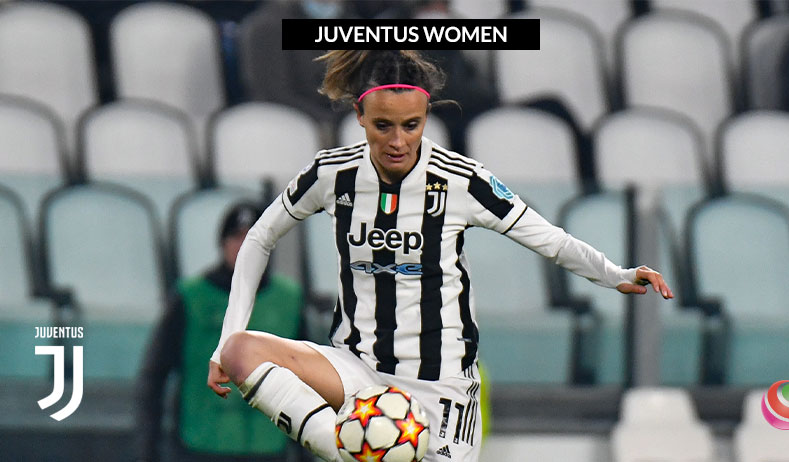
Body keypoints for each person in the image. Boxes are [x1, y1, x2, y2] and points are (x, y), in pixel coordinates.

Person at [207, 50, 674, 462]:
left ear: (426, 116)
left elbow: (549, 239)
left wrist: (614, 274)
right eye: (383, 125)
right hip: (357, 371)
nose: (398, 141)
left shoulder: (460, 180)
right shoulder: (331, 174)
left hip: (439, 387)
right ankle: (352, 446)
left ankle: (367, 445)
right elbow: (259, 237)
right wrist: (224, 340)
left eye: (411, 125)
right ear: (360, 115)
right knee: (241, 350)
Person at [137, 202, 304, 462]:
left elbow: (308, 378)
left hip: (268, 446)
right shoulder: (191, 299)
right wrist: (149, 447)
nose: (245, 247)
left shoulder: (289, 301)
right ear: (222, 243)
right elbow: (154, 377)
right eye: (237, 237)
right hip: (201, 445)